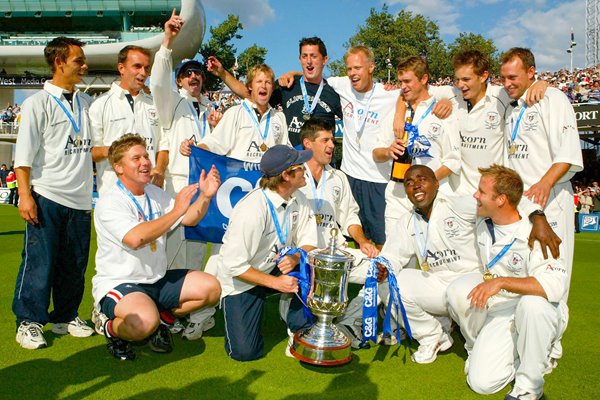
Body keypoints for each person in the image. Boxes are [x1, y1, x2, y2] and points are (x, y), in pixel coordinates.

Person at [92, 134, 222, 360]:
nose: (145, 162)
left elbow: (189, 218)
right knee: (143, 322)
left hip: (156, 279)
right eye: (136, 158)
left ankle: (162, 319)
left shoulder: (154, 193)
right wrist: (176, 211)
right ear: (119, 167)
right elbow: (135, 238)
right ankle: (110, 329)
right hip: (121, 282)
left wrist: (205, 196)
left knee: (211, 288)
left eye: (145, 156)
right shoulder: (110, 201)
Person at [448, 165, 568, 400]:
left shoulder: (538, 234)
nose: (475, 195)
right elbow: (450, 201)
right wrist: (537, 211)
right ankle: (525, 352)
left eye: (481, 191)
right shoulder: (482, 214)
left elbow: (553, 286)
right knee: (481, 383)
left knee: (531, 306)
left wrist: (502, 282)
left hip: (541, 307)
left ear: (501, 199)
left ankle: (529, 386)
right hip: (502, 310)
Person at [12, 37, 94, 350]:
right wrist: (26, 195)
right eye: (78, 61)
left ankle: (65, 316)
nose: (84, 66)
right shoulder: (37, 103)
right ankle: (29, 322)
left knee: (74, 263)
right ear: (59, 63)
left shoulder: (85, 103)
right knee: (39, 262)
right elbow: (24, 157)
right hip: (47, 195)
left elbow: (92, 149)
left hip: (81, 199)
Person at [150, 8, 222, 326]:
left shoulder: (212, 109)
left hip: (207, 192)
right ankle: (157, 306)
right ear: (180, 80)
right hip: (179, 186)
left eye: (198, 73)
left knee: (195, 255)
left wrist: (217, 132)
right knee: (171, 252)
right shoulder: (171, 102)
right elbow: (158, 81)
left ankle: (180, 312)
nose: (194, 77)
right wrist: (168, 42)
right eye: (188, 73)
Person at [215, 145, 318, 361]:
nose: (306, 170)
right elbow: (233, 265)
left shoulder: (299, 198)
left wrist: (296, 257)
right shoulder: (252, 209)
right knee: (244, 353)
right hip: (243, 277)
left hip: (276, 266)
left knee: (309, 263)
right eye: (300, 167)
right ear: (286, 175)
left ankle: (300, 329)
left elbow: (310, 243)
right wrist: (276, 284)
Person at [500, 48, 582, 299]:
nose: (507, 84)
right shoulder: (510, 106)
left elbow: (567, 155)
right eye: (503, 78)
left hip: (551, 200)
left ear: (531, 72)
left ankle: (554, 339)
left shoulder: (553, 98)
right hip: (521, 203)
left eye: (513, 77)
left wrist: (544, 185)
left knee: (552, 272)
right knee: (522, 270)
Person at [379, 165, 480, 364]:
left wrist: (538, 216)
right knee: (387, 283)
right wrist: (383, 268)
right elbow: (391, 256)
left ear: (436, 183)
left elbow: (503, 203)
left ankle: (476, 343)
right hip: (439, 284)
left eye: (421, 179)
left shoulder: (459, 205)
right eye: (409, 183)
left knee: (458, 293)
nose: (415, 186)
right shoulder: (408, 221)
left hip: (472, 282)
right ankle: (432, 336)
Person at [297, 118, 379, 347]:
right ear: (307, 143)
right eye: (325, 140)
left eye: (332, 140)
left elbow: (350, 217)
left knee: (382, 270)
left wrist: (362, 242)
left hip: (338, 255)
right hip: (305, 260)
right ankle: (299, 317)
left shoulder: (338, 177)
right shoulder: (292, 175)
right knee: (297, 317)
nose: (332, 145)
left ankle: (348, 321)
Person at [373, 56, 460, 234]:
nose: (403, 86)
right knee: (395, 257)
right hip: (398, 197)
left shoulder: (442, 112)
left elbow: (453, 161)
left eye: (407, 81)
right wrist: (389, 151)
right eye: (400, 81)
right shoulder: (396, 113)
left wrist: (426, 183)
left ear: (424, 79)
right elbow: (376, 153)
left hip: (432, 198)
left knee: (434, 258)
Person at [207, 37, 342, 147]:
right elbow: (250, 94)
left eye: (313, 56)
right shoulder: (288, 84)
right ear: (299, 59)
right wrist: (222, 73)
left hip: (322, 165)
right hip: (295, 165)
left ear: (325, 60)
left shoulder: (333, 91)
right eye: (304, 56)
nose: (309, 61)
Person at [90, 45, 167, 197]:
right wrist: (120, 150)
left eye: (146, 68)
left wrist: (159, 169)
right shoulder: (100, 104)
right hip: (113, 192)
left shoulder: (155, 104)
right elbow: (92, 152)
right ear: (121, 68)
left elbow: (164, 146)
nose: (143, 73)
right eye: (137, 66)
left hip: (150, 192)